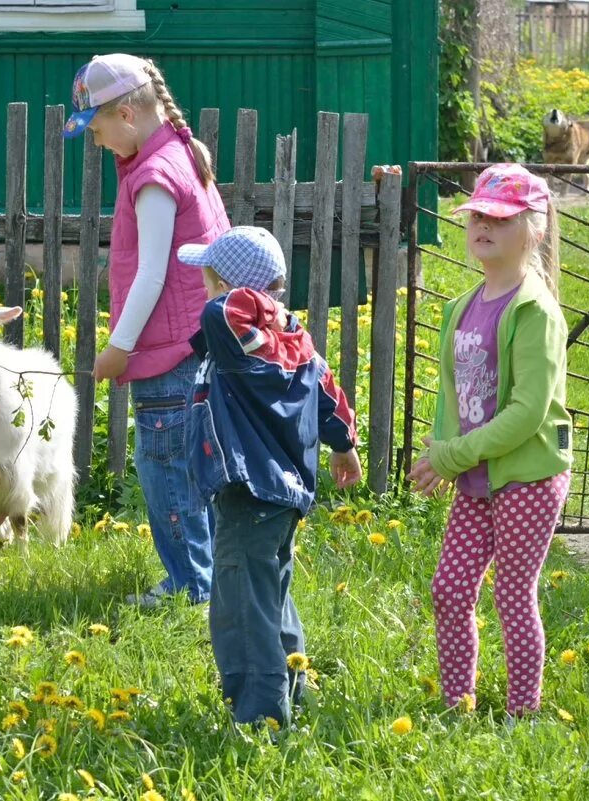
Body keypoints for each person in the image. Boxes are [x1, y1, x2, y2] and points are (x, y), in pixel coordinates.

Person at [64, 53, 230, 607]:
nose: (95, 142)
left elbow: (153, 272)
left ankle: (189, 586)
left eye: (97, 128)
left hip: (166, 352)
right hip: (195, 340)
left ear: (129, 115)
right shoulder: (183, 152)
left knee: (167, 476)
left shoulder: (156, 176)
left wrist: (117, 348)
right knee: (190, 466)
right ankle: (203, 578)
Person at [408, 163, 573, 719]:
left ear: (536, 229)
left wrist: (454, 455)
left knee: (511, 594)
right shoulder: (461, 307)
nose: (483, 226)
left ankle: (522, 712)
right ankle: (459, 705)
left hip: (528, 474)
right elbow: (451, 399)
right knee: (449, 589)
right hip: (477, 474)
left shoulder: (535, 310)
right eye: (477, 215)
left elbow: (527, 414)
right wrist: (441, 453)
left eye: (499, 218)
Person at [180, 225, 362, 727]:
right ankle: (293, 687)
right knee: (270, 596)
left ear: (229, 287)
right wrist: (344, 445)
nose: (205, 290)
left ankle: (260, 715)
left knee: (241, 604)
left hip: (251, 491)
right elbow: (330, 395)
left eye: (208, 279)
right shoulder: (291, 346)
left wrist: (260, 302)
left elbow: (218, 313)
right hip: (278, 496)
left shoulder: (240, 341)